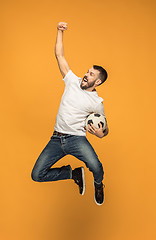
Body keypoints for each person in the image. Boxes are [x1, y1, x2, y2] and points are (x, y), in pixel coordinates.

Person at [31, 22, 109, 206]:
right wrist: (59, 32)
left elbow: (105, 128)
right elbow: (59, 55)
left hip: (77, 140)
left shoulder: (96, 103)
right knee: (37, 175)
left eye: (90, 75)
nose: (86, 75)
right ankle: (71, 173)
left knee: (97, 167)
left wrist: (101, 134)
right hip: (56, 139)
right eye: (87, 71)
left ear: (97, 82)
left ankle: (98, 184)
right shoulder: (72, 81)